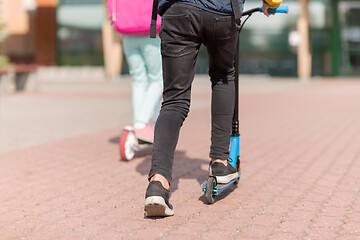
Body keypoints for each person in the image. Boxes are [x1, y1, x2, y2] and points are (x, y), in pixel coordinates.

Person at [144, 0, 284, 217]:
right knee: (223, 77)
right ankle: (219, 163)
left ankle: (157, 184)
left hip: (177, 10)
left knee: (174, 100)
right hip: (221, 11)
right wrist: (270, 3)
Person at [107, 0, 163, 143]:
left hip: (127, 32)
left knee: (138, 81)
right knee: (158, 79)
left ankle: (139, 126)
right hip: (151, 32)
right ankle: (141, 123)